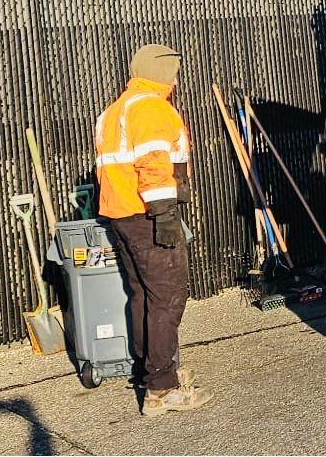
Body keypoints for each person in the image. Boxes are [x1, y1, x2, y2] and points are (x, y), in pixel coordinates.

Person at [95, 43, 214, 416]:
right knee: (167, 297)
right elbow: (152, 165)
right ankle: (162, 388)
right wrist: (165, 216)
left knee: (142, 295)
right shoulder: (150, 107)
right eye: (174, 71)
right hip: (148, 213)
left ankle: (151, 372)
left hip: (121, 214)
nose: (177, 79)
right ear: (161, 72)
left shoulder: (115, 111)